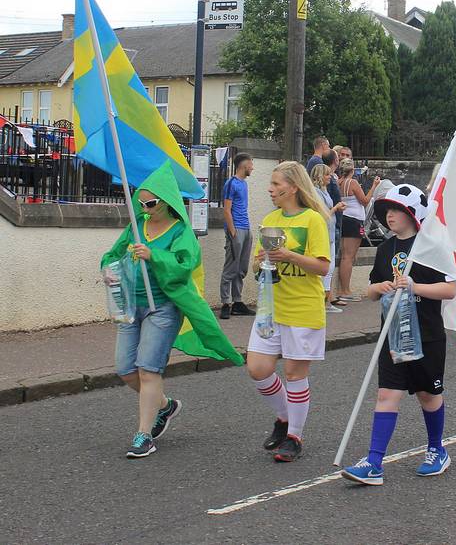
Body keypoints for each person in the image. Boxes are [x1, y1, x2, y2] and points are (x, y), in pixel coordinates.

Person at [101, 163, 243, 458]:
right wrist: (108, 268)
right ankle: (164, 407)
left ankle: (144, 435)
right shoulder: (136, 225)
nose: (145, 208)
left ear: (166, 201)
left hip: (163, 308)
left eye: (150, 203)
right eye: (141, 202)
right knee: (126, 371)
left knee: (148, 369)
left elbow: (184, 264)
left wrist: (154, 255)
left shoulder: (181, 231)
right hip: (131, 305)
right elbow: (113, 255)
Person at [342, 184, 456, 486]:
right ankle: (374, 462)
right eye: (387, 211)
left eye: (397, 211)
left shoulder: (432, 246)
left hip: (427, 335)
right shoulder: (384, 249)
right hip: (392, 334)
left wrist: (414, 287)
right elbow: (370, 290)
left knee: (428, 395)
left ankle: (436, 449)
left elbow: (451, 289)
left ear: (413, 215)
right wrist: (379, 289)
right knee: (385, 394)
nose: (390, 216)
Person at [247, 161, 331, 462]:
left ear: (292, 187)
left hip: (302, 307)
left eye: (275, 184)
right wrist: (261, 263)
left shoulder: (312, 220)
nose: (270, 189)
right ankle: (283, 419)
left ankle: (294, 436)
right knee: (257, 367)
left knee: (294, 373)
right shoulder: (270, 219)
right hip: (271, 308)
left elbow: (323, 266)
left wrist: (289, 256)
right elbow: (259, 265)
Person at [337, 158, 380, 302]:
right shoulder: (353, 183)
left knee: (345, 255)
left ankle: (344, 289)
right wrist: (374, 186)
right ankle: (345, 290)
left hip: (343, 219)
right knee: (349, 257)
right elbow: (365, 201)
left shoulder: (338, 182)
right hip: (354, 220)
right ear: (352, 169)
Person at [220, 153, 254, 319]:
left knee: (241, 268)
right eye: (251, 164)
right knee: (230, 267)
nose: (252, 168)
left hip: (246, 228)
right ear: (244, 165)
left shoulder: (244, 184)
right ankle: (226, 303)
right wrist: (232, 231)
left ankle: (237, 301)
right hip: (236, 230)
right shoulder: (231, 183)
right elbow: (226, 210)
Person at [311, 164, 347, 313]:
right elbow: (322, 213)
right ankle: (321, 302)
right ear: (319, 175)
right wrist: (336, 208)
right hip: (323, 232)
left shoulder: (324, 191)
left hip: (330, 231)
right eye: (327, 175)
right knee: (325, 268)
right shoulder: (316, 192)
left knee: (330, 268)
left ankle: (325, 301)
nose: (329, 177)